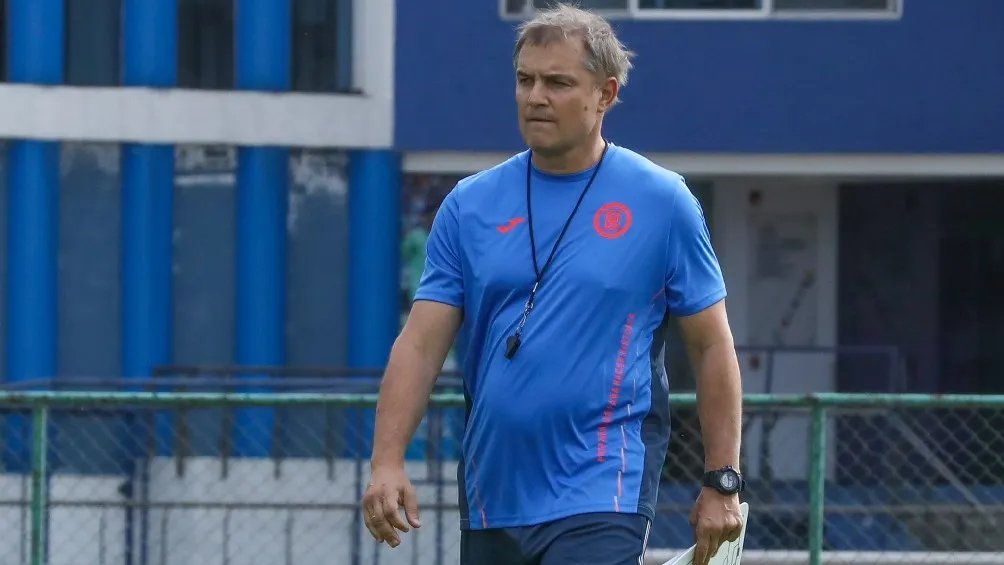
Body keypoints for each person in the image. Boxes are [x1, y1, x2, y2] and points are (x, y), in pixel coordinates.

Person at [362, 4, 745, 564]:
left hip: (603, 491)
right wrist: (387, 460)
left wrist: (722, 480)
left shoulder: (663, 202)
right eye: (525, 80)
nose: (535, 96)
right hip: (494, 493)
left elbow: (712, 345)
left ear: (605, 94)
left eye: (558, 82)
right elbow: (420, 346)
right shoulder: (470, 205)